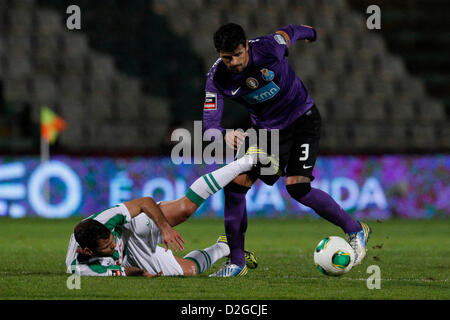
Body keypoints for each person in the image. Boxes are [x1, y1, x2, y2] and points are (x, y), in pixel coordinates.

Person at [202, 23, 371, 277]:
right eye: (227, 57)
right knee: (235, 187)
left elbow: (290, 31)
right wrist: (226, 134)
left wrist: (312, 33)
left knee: (297, 188)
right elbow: (209, 126)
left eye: (238, 54)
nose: (234, 62)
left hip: (303, 118)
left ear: (246, 46)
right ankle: (236, 263)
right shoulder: (217, 77)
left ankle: (355, 229)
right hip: (267, 133)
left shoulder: (269, 48)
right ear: (219, 54)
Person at [65, 151, 266, 277]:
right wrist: (144, 272)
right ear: (88, 252)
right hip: (129, 256)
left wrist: (165, 228)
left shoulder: (105, 220)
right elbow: (122, 271)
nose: (112, 246)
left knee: (185, 209)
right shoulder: (82, 269)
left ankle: (247, 160)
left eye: (110, 240)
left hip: (129, 228)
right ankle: (225, 246)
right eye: (108, 247)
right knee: (191, 271)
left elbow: (144, 202)